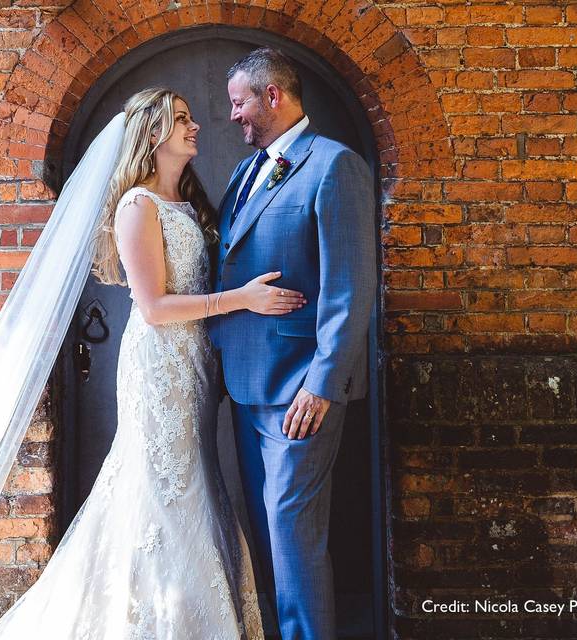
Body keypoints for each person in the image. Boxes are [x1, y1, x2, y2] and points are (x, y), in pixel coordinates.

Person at [0, 88, 310, 638]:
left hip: (195, 366)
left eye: (189, 116)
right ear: (152, 134)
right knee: (161, 485)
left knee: (194, 479)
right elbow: (153, 307)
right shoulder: (137, 205)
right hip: (159, 365)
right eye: (181, 119)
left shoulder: (189, 204)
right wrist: (242, 300)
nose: (195, 125)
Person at [209, 48, 377, 640]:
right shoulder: (245, 171)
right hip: (246, 383)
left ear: (272, 96)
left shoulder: (335, 166)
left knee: (290, 529)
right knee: (264, 530)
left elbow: (350, 288)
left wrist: (324, 382)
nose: (232, 117)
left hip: (300, 389)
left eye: (239, 103)